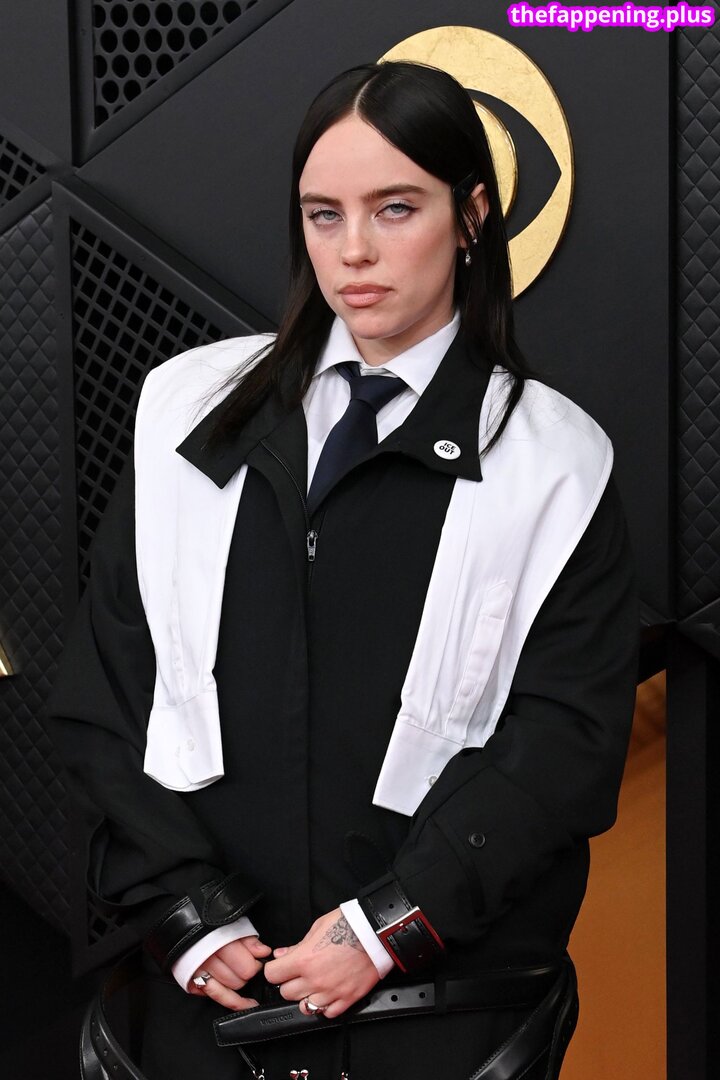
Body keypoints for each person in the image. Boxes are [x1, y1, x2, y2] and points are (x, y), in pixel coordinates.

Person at [47, 61, 638, 1080]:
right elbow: (106, 697)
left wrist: (389, 925)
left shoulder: (556, 464)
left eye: (394, 208)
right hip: (206, 1010)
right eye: (324, 215)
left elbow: (563, 747)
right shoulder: (186, 412)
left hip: (438, 1021)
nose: (353, 250)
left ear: (471, 217)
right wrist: (185, 910)